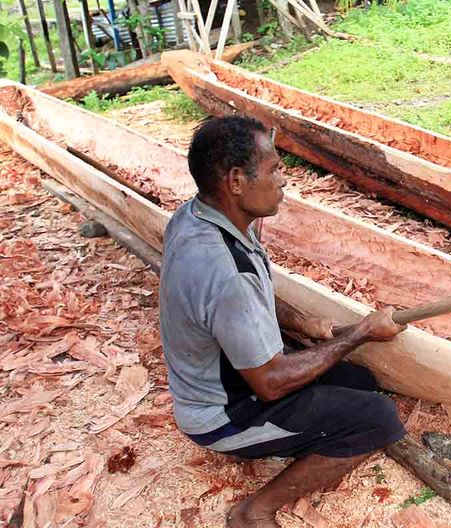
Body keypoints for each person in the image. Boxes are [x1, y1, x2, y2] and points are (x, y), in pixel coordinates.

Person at [159, 116, 407, 527]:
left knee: (360, 382)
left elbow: (248, 292)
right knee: (378, 417)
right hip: (223, 415)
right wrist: (361, 332)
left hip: (229, 382)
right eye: (274, 169)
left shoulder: (197, 217)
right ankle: (254, 512)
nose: (284, 180)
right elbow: (271, 384)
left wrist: (303, 321)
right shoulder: (223, 269)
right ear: (236, 180)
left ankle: (285, 440)